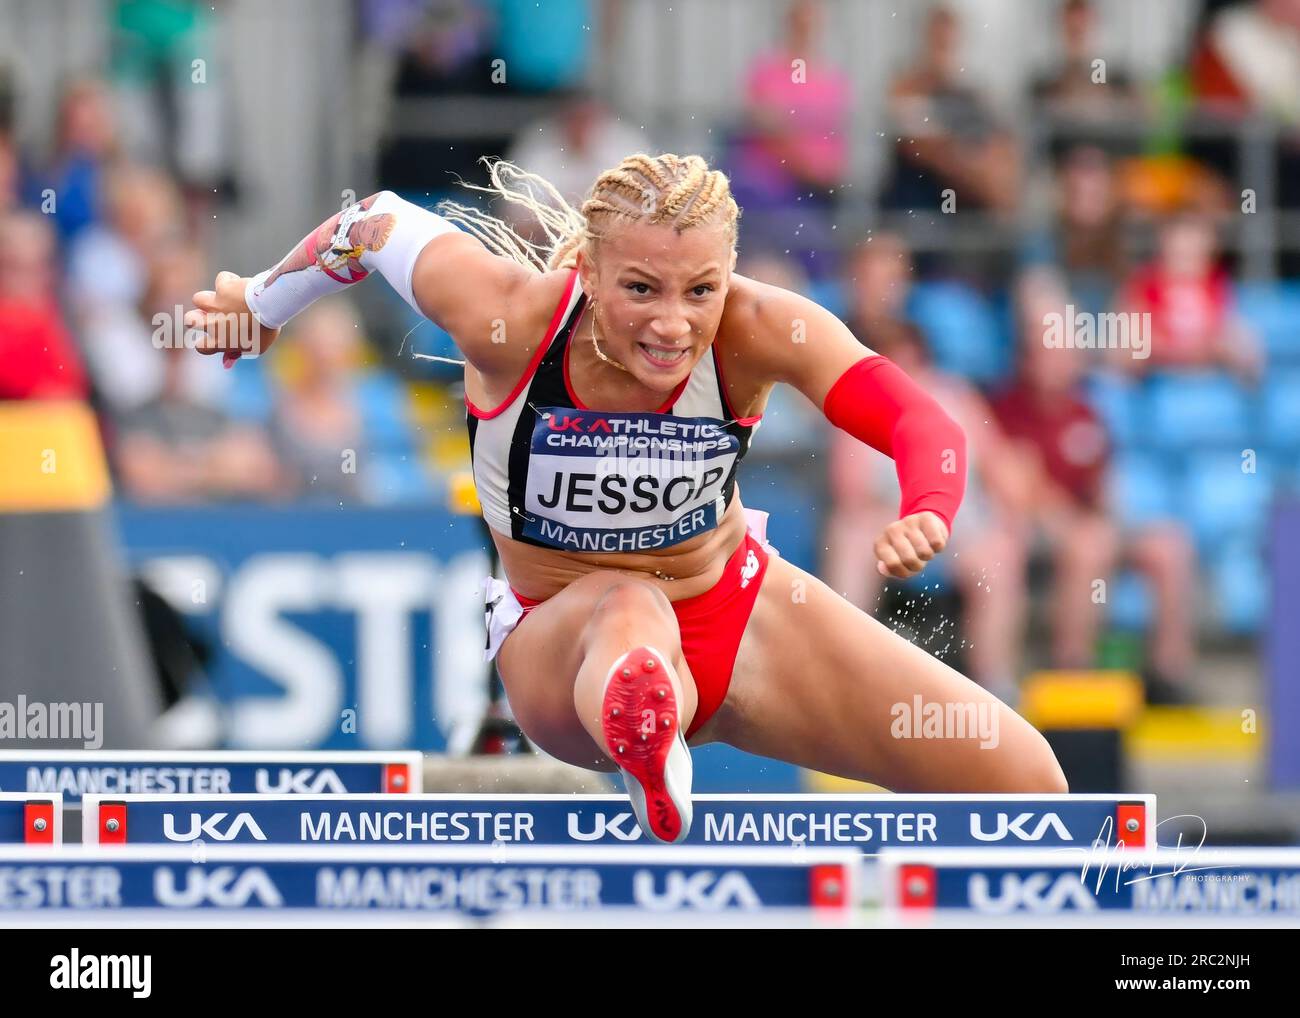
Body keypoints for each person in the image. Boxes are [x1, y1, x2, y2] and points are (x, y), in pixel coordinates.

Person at [188, 153, 1067, 843]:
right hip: (565, 646)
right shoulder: (512, 316)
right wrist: (262, 301)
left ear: (731, 277)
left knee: (1030, 788)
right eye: (640, 289)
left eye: (702, 291)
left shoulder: (762, 328)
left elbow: (918, 418)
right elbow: (371, 225)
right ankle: (648, 737)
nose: (673, 324)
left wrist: (929, 506)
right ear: (589, 272)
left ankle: (660, 732)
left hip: (737, 616)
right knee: (629, 602)